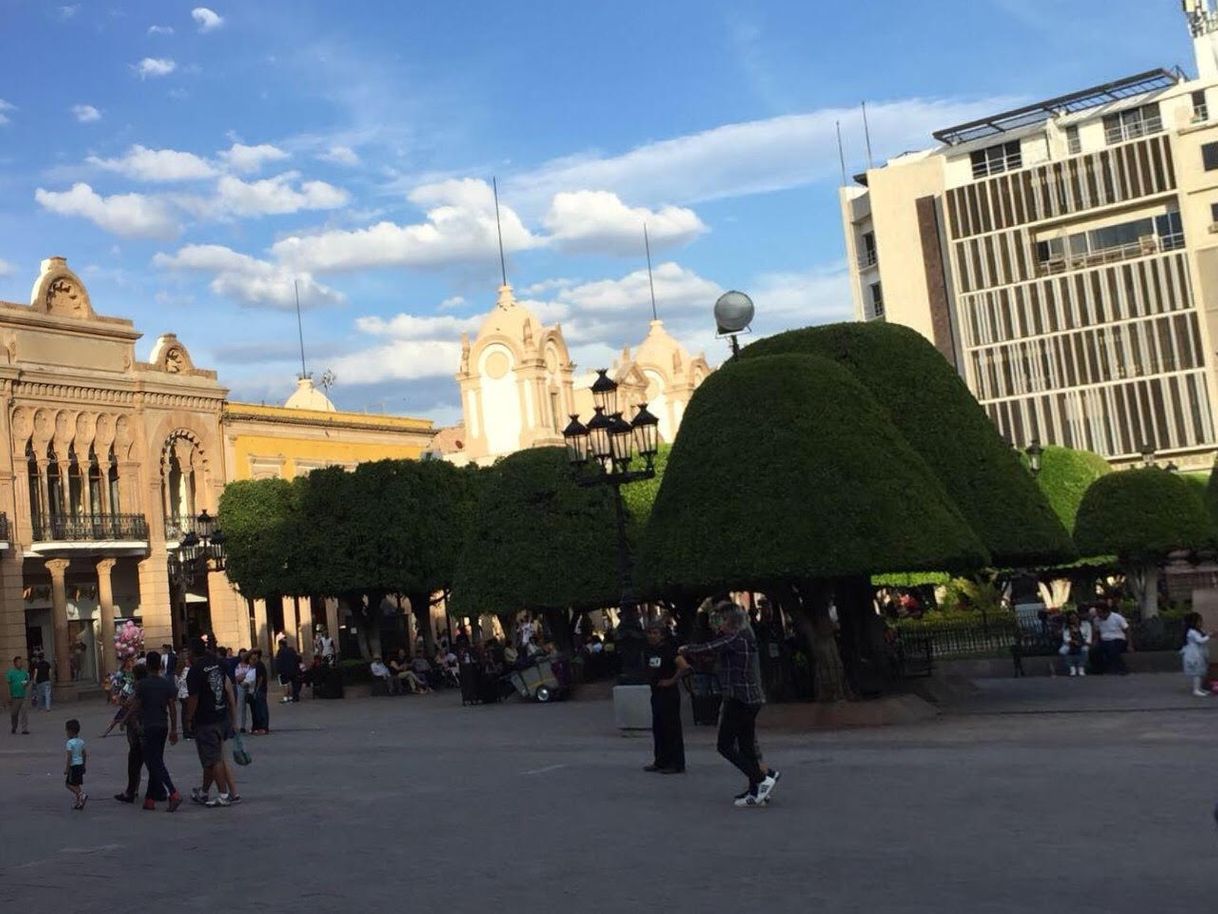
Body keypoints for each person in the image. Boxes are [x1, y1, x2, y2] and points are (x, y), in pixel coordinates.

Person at [680, 602, 779, 808]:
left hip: (740, 699)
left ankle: (762, 779)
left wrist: (686, 649)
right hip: (748, 699)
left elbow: (709, 648)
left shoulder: (736, 638)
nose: (719, 625)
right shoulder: (743, 637)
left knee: (724, 745)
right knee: (746, 746)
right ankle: (756, 790)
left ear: (731, 621)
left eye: (722, 620)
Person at [185, 637, 240, 808]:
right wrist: (233, 717)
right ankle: (203, 792)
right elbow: (227, 689)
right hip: (221, 715)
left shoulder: (194, 671)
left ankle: (223, 794)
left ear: (192, 653)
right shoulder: (218, 664)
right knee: (211, 759)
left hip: (206, 720)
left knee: (214, 759)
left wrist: (188, 719)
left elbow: (193, 698)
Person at [129, 650, 182, 811]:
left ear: (147, 665)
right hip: (163, 725)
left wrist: (125, 720)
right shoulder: (166, 683)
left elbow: (136, 706)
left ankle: (173, 793)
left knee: (155, 762)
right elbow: (172, 708)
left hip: (149, 726)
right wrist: (174, 729)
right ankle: (150, 799)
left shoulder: (143, 684)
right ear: (160, 665)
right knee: (155, 760)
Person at [643, 619, 686, 775]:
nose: (652, 636)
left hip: (669, 694)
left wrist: (672, 680)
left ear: (662, 635)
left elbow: (684, 666)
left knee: (671, 728)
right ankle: (660, 760)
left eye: (655, 633)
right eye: (650, 633)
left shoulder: (669, 649)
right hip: (656, 693)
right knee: (659, 728)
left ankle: (676, 763)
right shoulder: (650, 650)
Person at [115, 662, 150, 804]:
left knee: (134, 760)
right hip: (148, 725)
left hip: (136, 727)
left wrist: (124, 718)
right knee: (149, 760)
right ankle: (158, 789)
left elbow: (130, 703)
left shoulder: (136, 687)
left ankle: (132, 790)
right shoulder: (149, 685)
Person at [1094, 604, 1132, 675]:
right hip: (1104, 640)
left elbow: (1127, 629)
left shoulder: (1117, 617)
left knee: (1112, 647)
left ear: (1106, 612)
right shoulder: (1097, 620)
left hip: (1118, 639)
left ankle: (1121, 668)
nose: (1099, 615)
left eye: (1100, 613)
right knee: (1095, 651)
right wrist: (1095, 642)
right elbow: (1097, 632)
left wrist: (1129, 644)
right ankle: (1099, 669)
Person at [1180, 613, 1212, 697]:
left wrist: (1207, 635)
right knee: (1197, 672)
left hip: (1198, 652)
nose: (1201, 623)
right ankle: (1196, 689)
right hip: (1194, 653)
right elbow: (1200, 640)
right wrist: (1209, 636)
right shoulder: (1192, 632)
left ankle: (1199, 688)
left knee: (1200, 671)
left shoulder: (1196, 631)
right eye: (1199, 621)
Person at [1059, 611, 1092, 677]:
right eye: (1072, 619)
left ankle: (1081, 667)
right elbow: (1065, 637)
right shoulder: (1066, 627)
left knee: (1084, 650)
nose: (1074, 620)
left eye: (1075, 618)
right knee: (1062, 651)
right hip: (1070, 643)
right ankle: (1072, 668)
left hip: (1083, 642)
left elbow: (1089, 635)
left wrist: (1087, 642)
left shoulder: (1086, 624)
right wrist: (1071, 641)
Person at [64, 718, 87, 810]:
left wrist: (67, 768)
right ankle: (79, 802)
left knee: (68, 784)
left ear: (70, 731)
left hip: (73, 766)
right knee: (77, 784)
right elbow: (84, 754)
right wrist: (84, 765)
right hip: (80, 765)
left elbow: (69, 756)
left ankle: (81, 795)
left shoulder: (69, 743)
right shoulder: (81, 741)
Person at [7, 655, 30, 735]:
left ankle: (24, 729)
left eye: (21, 662)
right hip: (14, 696)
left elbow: (27, 681)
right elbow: (8, 684)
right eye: (19, 662)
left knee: (24, 712)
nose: (21, 663)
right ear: (15, 663)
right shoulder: (10, 672)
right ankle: (14, 726)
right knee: (14, 713)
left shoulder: (24, 672)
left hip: (23, 695)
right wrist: (9, 695)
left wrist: (26, 683)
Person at [276, 637, 302, 703]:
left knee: (285, 684)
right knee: (292, 684)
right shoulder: (292, 650)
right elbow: (298, 658)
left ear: (280, 645)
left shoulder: (280, 652)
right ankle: (292, 697)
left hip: (284, 671)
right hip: (293, 670)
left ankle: (285, 698)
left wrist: (278, 670)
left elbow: (278, 662)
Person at [249, 649, 270, 733]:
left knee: (262, 709)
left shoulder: (259, 665)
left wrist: (256, 689)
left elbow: (261, 678)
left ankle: (264, 727)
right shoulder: (256, 665)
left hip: (260, 690)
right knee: (259, 709)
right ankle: (260, 726)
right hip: (260, 689)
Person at [175, 649, 193, 740]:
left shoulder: (182, 670)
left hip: (183, 694)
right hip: (186, 694)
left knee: (186, 713)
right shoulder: (187, 670)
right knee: (187, 713)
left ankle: (188, 731)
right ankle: (187, 731)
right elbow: (183, 682)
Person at [234, 650, 252, 733]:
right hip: (241, 686)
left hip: (249, 687)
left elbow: (251, 676)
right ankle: (242, 726)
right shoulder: (238, 665)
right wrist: (246, 675)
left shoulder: (250, 665)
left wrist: (243, 676)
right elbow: (237, 677)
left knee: (252, 707)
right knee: (241, 707)